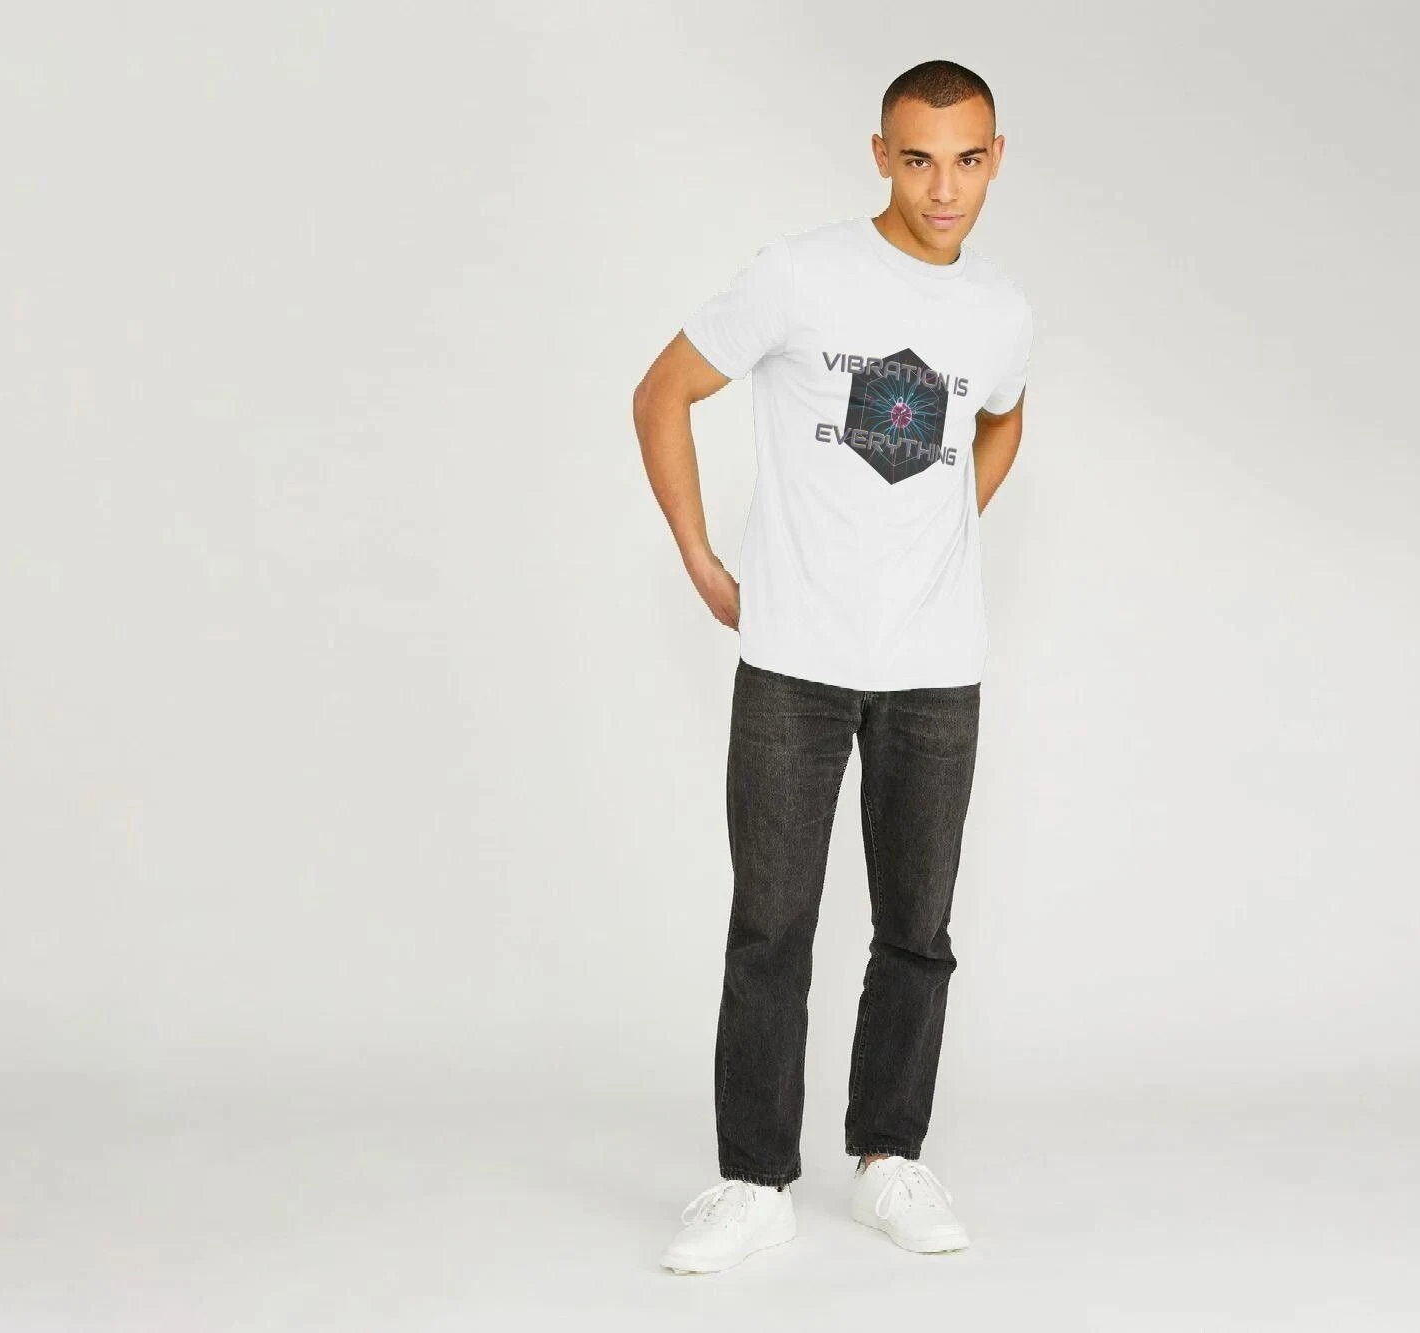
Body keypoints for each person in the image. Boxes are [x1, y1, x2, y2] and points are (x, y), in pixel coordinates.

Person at [631, 58, 1034, 1275]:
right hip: (793, 660)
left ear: (996, 160)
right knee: (770, 925)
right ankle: (751, 1179)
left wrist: (950, 524)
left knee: (916, 927)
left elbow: (1004, 412)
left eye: (966, 160)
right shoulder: (799, 276)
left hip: (934, 664)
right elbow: (662, 392)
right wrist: (700, 557)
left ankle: (888, 1156)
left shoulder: (999, 311)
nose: (942, 188)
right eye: (917, 159)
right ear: (879, 156)